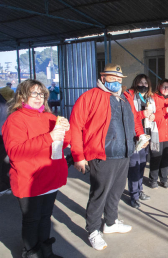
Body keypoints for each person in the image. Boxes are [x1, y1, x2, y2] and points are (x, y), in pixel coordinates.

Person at [70, 64, 147, 250]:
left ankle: (111, 223)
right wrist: (78, 156)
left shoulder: (125, 98)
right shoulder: (89, 97)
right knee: (99, 194)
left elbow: (135, 119)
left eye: (119, 79)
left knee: (116, 191)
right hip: (101, 155)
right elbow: (75, 126)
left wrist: (141, 134)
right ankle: (93, 230)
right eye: (113, 78)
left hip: (125, 153)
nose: (117, 82)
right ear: (103, 78)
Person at [2, 79, 70, 258]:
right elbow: (15, 152)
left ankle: (46, 251)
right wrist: (49, 137)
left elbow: (60, 146)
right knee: (32, 220)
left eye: (41, 94)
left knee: (45, 217)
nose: (39, 97)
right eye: (34, 93)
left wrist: (65, 133)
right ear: (22, 96)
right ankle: (31, 253)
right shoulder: (15, 119)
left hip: (50, 177)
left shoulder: (49, 117)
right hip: (29, 180)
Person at [125, 74, 154, 209]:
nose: (143, 85)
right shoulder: (129, 95)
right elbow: (131, 116)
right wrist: (144, 114)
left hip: (146, 134)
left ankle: (140, 189)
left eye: (145, 83)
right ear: (135, 82)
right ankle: (134, 195)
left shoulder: (148, 97)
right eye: (140, 82)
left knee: (142, 163)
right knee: (134, 165)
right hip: (134, 135)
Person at [0, 83, 14, 196]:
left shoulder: (4, 104)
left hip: (3, 135)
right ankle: (6, 184)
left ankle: (4, 184)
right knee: (6, 160)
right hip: (6, 135)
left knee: (4, 160)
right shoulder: (8, 105)